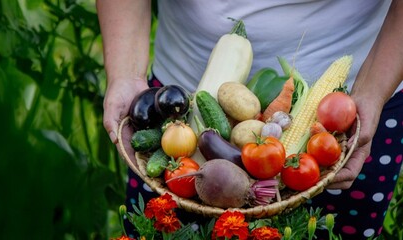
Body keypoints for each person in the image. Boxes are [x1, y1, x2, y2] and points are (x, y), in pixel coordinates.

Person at [97, 1, 403, 239]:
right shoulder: (171, 141)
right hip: (171, 110)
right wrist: (124, 75)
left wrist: (372, 94)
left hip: (347, 118)